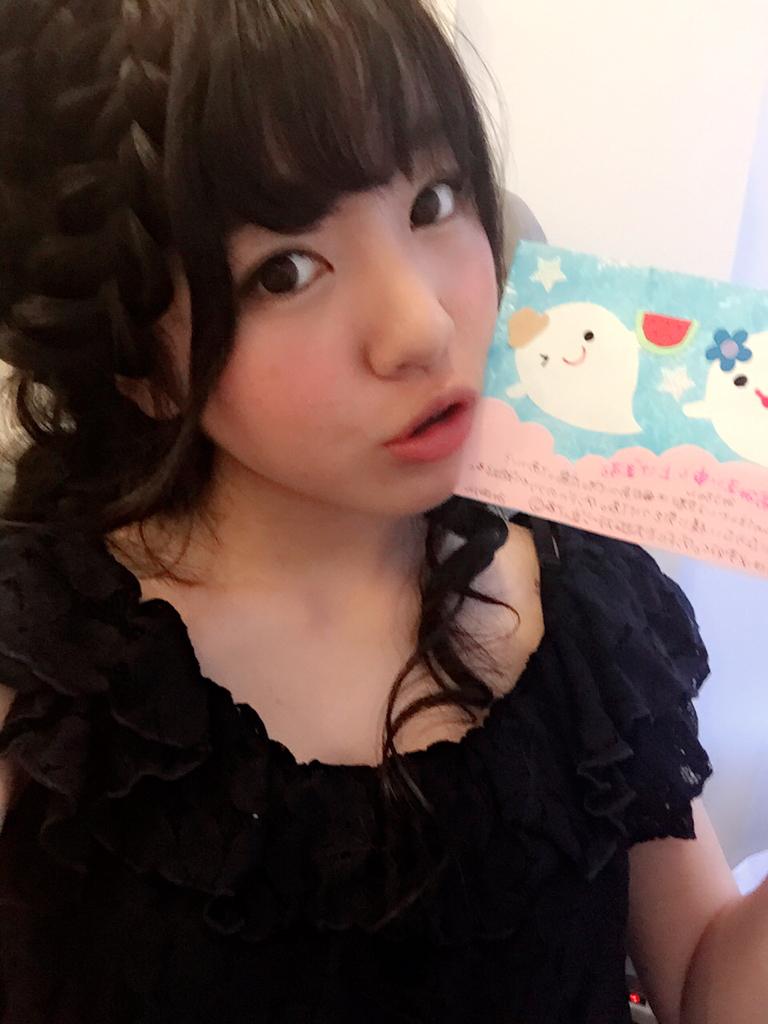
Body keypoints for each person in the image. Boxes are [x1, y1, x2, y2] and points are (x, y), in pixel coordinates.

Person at [0, 1, 764, 1022]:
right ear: (139, 360)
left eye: (435, 199)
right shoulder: (44, 680)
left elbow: (706, 978)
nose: (421, 324)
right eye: (285, 271)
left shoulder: (584, 605)